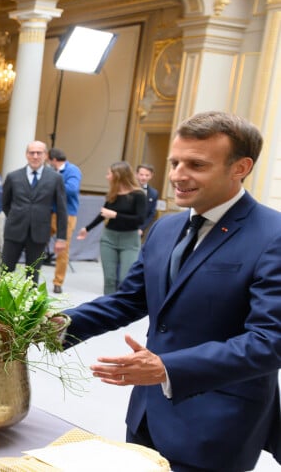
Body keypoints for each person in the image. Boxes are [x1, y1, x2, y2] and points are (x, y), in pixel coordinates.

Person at [63, 111, 281, 472]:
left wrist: (167, 367)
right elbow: (130, 299)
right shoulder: (166, 228)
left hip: (219, 426)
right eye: (175, 162)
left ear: (240, 167)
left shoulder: (273, 235)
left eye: (196, 164)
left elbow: (269, 341)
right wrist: (54, 324)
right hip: (147, 416)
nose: (178, 175)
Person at [2, 141, 67, 283]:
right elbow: (5, 204)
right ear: (26, 155)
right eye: (32, 153)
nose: (35, 156)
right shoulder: (13, 177)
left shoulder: (55, 178)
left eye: (39, 153)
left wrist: (61, 238)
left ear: (45, 156)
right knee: (5, 272)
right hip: (14, 231)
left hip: (39, 233)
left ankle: (29, 303)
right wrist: (17, 216)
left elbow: (62, 210)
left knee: (33, 276)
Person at [77, 161, 146, 294]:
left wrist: (115, 215)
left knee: (124, 278)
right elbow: (103, 214)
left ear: (118, 175)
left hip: (129, 240)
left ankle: (122, 310)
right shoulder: (113, 193)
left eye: (109, 174)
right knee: (109, 279)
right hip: (109, 238)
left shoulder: (138, 195)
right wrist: (87, 228)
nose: (107, 177)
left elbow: (139, 219)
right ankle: (107, 309)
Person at [48, 148, 82, 294]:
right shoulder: (51, 171)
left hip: (67, 215)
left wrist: (52, 185)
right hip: (49, 213)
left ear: (53, 160)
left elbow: (72, 189)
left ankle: (58, 282)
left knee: (63, 250)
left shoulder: (73, 170)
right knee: (35, 242)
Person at [136, 163, 158, 237]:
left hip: (139, 231)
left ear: (151, 176)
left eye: (147, 175)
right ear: (136, 174)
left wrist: (141, 228)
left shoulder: (154, 193)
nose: (144, 177)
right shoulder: (127, 189)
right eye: (141, 174)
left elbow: (152, 214)